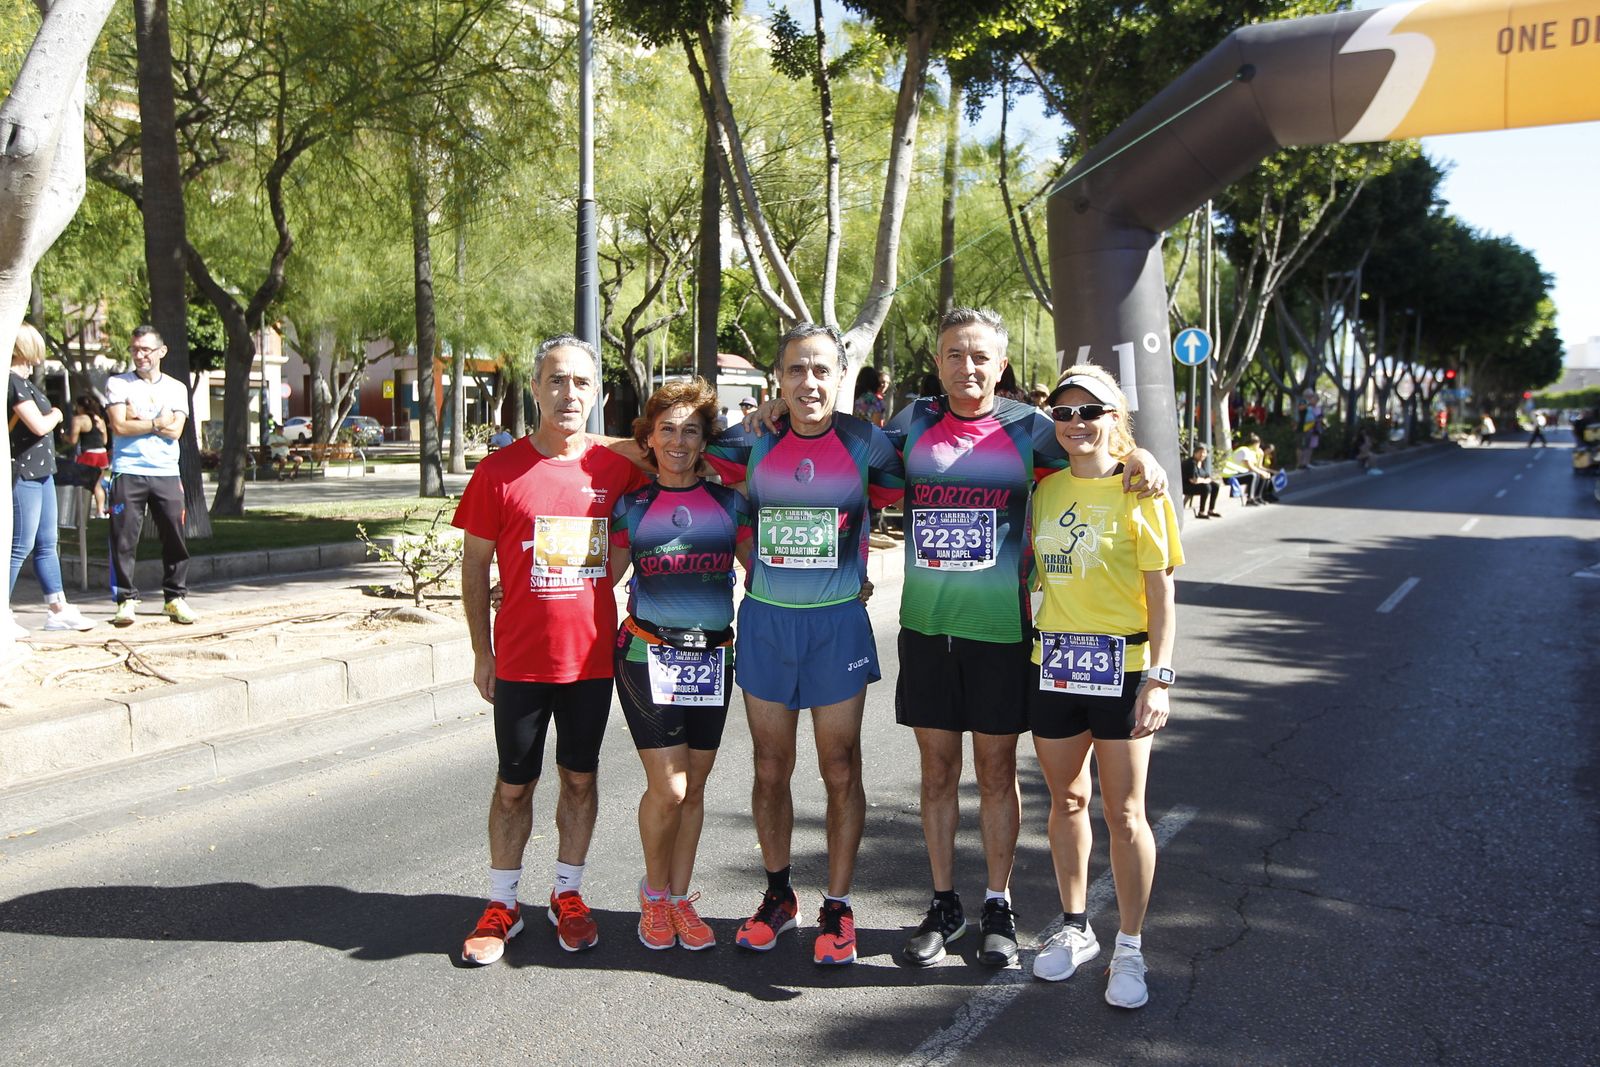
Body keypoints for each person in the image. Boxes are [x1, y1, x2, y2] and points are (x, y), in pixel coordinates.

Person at [879, 307, 1167, 970]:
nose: (968, 367)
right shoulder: (912, 422)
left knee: (997, 771)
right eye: (955, 354)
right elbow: (839, 448)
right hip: (925, 629)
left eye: (981, 356)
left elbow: (1094, 440)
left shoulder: (1030, 428)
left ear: (1001, 364)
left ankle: (998, 902)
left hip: (1002, 634)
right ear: (938, 358)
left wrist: (1140, 454)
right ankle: (945, 901)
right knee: (937, 772)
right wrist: (767, 420)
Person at [703, 323, 904, 965]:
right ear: (778, 379)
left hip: (836, 624)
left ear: (840, 376)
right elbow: (660, 449)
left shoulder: (868, 443)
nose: (809, 383)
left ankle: (839, 908)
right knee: (770, 766)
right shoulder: (749, 439)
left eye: (821, 370)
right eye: (796, 371)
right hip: (766, 622)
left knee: (840, 767)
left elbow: (910, 483)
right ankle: (779, 895)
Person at [452, 334, 650, 966]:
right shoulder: (498, 471)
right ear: (535, 389)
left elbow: (681, 450)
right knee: (514, 785)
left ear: (599, 395)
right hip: (519, 661)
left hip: (591, 660)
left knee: (580, 778)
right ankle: (503, 903)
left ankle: (568, 893)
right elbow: (475, 568)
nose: (569, 394)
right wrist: (482, 654)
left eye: (583, 384)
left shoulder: (613, 469)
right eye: (557, 381)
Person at [1029, 364, 1184, 1010]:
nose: (1075, 424)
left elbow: (1162, 594)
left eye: (1090, 411)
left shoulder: (1141, 489)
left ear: (1115, 416)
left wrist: (1159, 677)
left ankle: (1130, 946)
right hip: (1056, 667)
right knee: (1066, 802)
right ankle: (1074, 925)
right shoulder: (1046, 491)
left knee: (1125, 814)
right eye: (1063, 413)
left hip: (1123, 670)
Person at [608, 377, 752, 950]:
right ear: (649, 437)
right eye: (666, 429)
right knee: (667, 787)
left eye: (690, 430)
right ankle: (653, 894)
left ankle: (680, 898)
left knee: (694, 789)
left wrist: (846, 574)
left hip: (714, 658)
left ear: (704, 441)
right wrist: (521, 587)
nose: (677, 440)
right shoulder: (632, 507)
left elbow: (762, 571)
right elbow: (601, 577)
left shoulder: (729, 504)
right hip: (648, 655)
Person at [105, 326, 197, 627]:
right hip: (127, 470)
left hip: (166, 472)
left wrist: (138, 419)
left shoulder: (176, 388)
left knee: (174, 535)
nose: (139, 354)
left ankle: (174, 597)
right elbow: (118, 427)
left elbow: (177, 431)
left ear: (161, 351)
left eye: (145, 349)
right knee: (123, 537)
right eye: (135, 349)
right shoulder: (118, 384)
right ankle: (126, 600)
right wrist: (158, 420)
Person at [9, 323, 95, 636]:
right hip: (25, 472)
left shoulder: (24, 382)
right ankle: (3, 609)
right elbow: (38, 425)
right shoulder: (12, 383)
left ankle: (57, 608)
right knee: (21, 544)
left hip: (43, 472)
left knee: (48, 542)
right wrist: (58, 414)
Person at [62, 395, 110, 518]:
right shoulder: (99, 419)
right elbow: (105, 440)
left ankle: (80, 512)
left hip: (89, 454)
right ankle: (100, 511)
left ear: (80, 407)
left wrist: (63, 436)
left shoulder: (79, 420)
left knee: (82, 483)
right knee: (97, 484)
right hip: (102, 454)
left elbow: (73, 440)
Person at [1181, 443, 1220, 518]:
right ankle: (1201, 511)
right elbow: (1193, 480)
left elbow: (1208, 477)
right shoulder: (1191, 463)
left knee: (1215, 486)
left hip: (1197, 485)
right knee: (1206, 487)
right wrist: (1205, 481)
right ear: (1195, 453)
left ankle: (1211, 509)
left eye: (1204, 453)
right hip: (1187, 487)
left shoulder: (1201, 463)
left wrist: (1204, 480)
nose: (1202, 455)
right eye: (1200, 452)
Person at [1294, 389, 1323, 469]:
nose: (1311, 397)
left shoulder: (1312, 405)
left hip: (1310, 428)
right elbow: (1300, 408)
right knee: (1300, 446)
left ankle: (1305, 463)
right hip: (1302, 428)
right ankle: (1299, 464)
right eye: (1310, 395)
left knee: (1307, 446)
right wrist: (1309, 403)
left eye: (1312, 395)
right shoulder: (1303, 401)